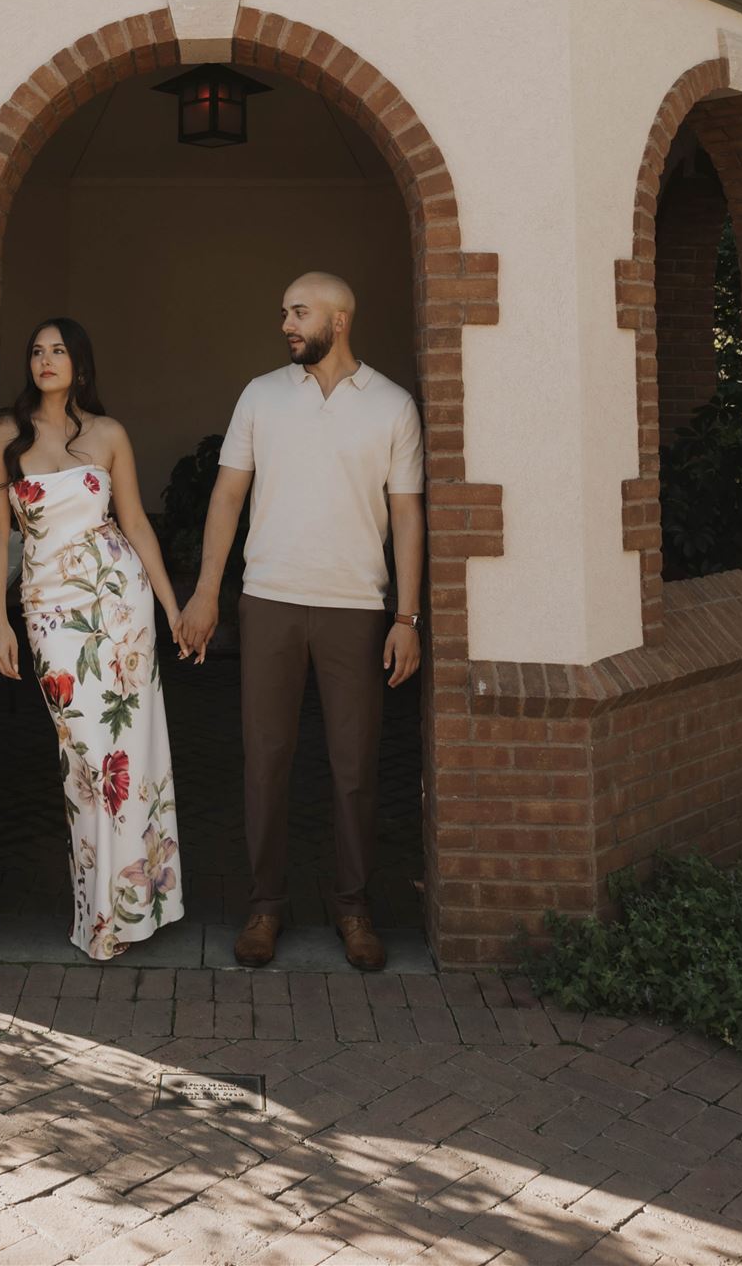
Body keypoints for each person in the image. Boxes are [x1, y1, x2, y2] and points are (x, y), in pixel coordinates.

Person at [178, 273, 424, 972]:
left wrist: (405, 615)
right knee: (265, 762)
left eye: (297, 311)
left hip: (355, 606)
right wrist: (206, 592)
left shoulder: (391, 406)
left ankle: (352, 909)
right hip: (268, 601)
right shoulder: (260, 395)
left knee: (353, 768)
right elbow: (227, 497)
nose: (285, 322)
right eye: (283, 310)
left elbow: (406, 513)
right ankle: (265, 907)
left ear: (338, 320)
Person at [0, 318, 186, 961]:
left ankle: (125, 911)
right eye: (36, 350)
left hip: (120, 605)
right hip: (49, 610)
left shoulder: (109, 434)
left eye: (59, 350)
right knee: (84, 759)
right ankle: (96, 909)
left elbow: (135, 524)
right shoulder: (6, 435)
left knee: (127, 755)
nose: (46, 360)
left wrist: (172, 607)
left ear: (80, 363)